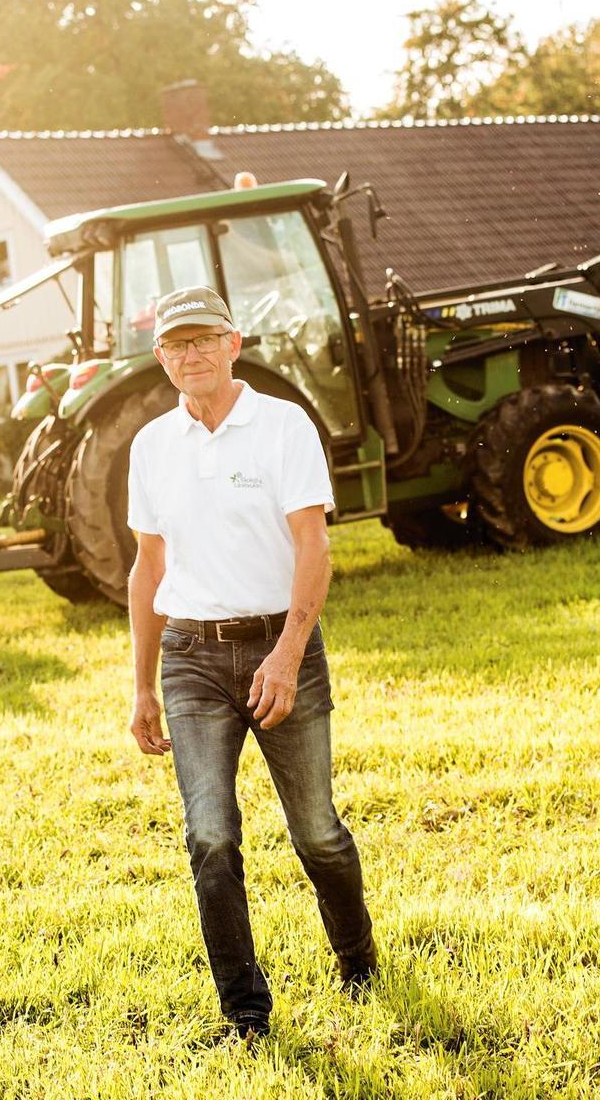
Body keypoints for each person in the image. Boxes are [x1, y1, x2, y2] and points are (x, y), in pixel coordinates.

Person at [124, 284, 378, 1044]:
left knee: (317, 832)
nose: (191, 353)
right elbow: (146, 568)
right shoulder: (150, 446)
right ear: (161, 356)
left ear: (234, 344)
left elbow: (314, 546)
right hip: (191, 659)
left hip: (280, 646)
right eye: (177, 343)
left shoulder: (282, 425)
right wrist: (140, 686)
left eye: (205, 339)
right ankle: (246, 1016)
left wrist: (287, 655)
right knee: (211, 836)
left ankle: (359, 964)